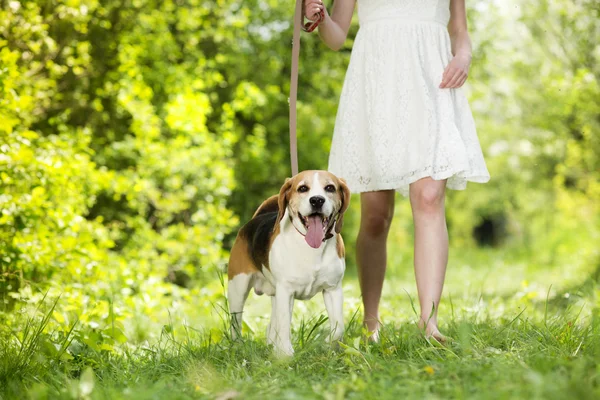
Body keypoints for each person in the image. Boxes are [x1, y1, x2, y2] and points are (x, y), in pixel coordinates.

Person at [305, 0, 490, 341]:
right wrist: (318, 15)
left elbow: (460, 31)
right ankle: (370, 321)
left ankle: (428, 321)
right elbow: (335, 37)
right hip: (376, 84)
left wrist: (462, 58)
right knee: (376, 215)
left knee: (430, 197)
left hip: (432, 83)